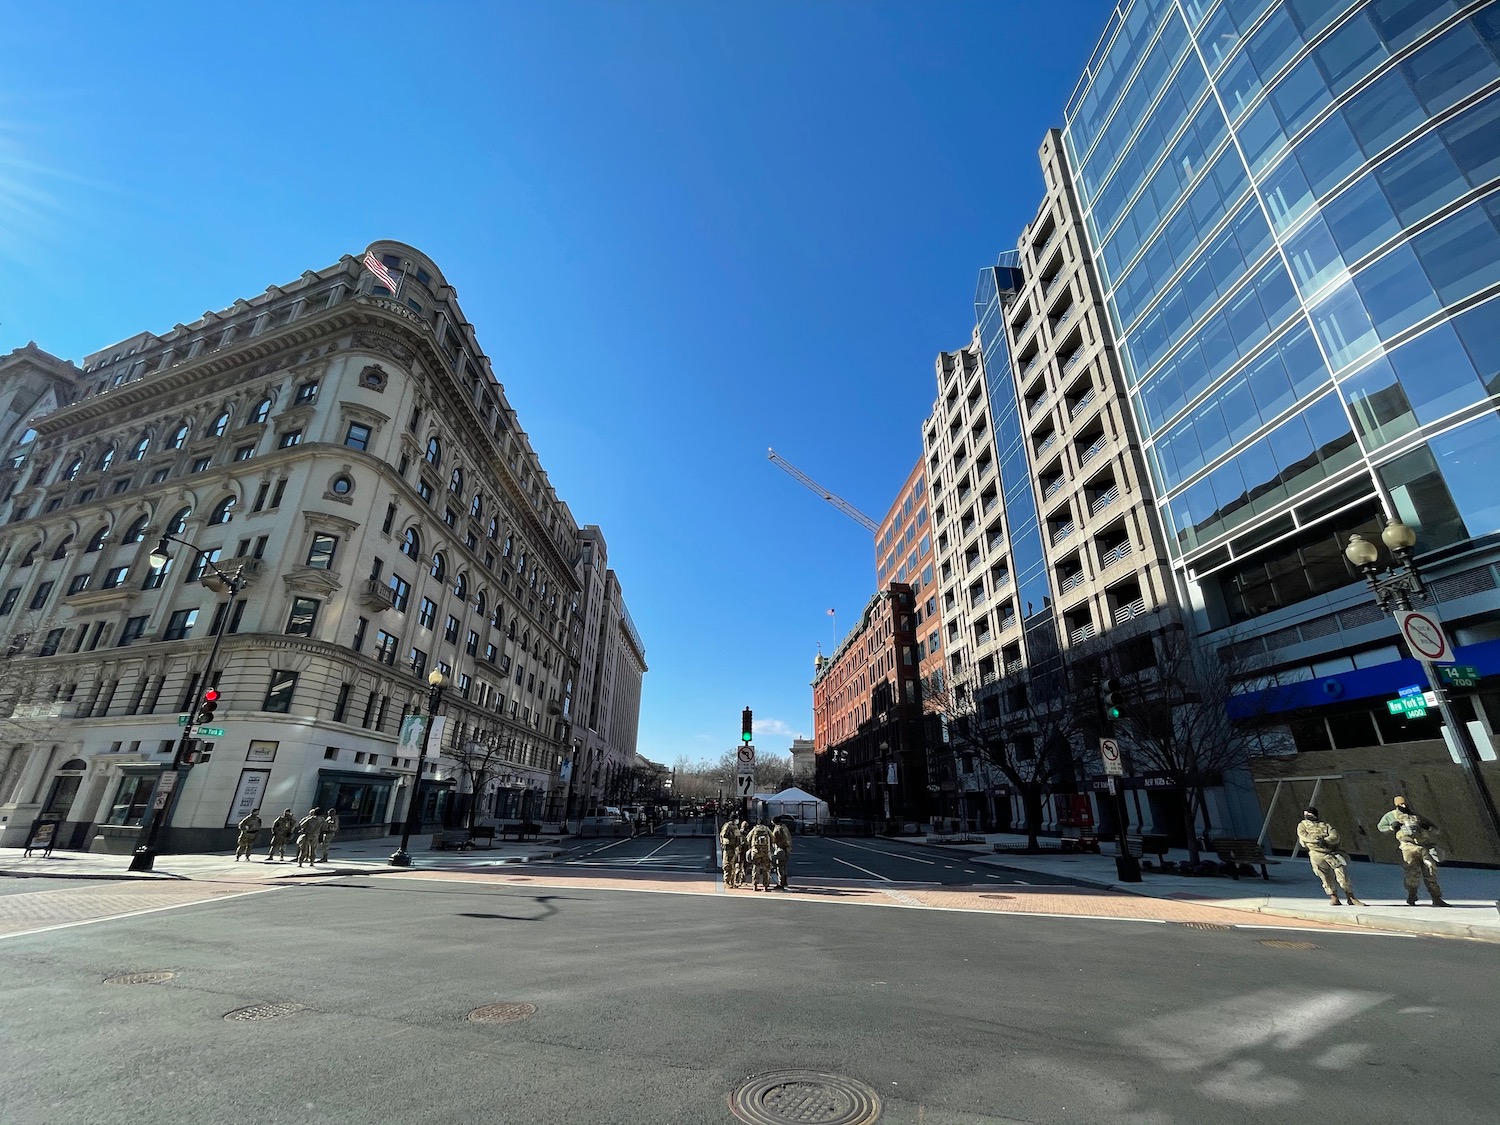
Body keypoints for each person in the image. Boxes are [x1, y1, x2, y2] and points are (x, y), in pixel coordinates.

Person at [1377, 795, 1449, 907]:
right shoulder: (1391, 816)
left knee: (1430, 871)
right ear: (1396, 805)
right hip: (1408, 848)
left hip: (1423, 847)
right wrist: (1392, 827)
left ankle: (1436, 898)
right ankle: (1412, 895)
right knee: (1411, 873)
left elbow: (1436, 830)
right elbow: (1381, 827)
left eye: (1405, 804)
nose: (1404, 806)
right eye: (1401, 804)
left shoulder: (1416, 816)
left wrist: (1427, 827)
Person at [1295, 806, 1363, 906]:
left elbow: (1335, 836)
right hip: (1316, 854)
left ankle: (1350, 897)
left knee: (1342, 874)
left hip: (1332, 853)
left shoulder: (1325, 825)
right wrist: (1317, 840)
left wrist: (1326, 841)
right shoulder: (1302, 825)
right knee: (1325, 877)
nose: (1307, 816)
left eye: (1309, 814)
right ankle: (1334, 897)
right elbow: (1304, 837)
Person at [746, 821, 774, 892]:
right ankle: (765, 886)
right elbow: (773, 838)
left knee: (755, 868)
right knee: (766, 869)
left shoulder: (754, 829)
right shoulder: (766, 829)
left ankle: (755, 886)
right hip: (765, 852)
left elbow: (748, 838)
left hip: (756, 852)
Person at [719, 818, 742, 888]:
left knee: (734, 866)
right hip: (729, 848)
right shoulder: (728, 825)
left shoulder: (735, 826)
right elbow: (723, 835)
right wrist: (731, 836)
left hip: (734, 847)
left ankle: (732, 882)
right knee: (727, 865)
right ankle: (726, 881)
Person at [771, 820, 792, 891]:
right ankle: (785, 881)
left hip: (780, 849)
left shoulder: (777, 829)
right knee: (784, 866)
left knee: (779, 866)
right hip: (787, 849)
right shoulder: (784, 827)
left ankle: (780, 883)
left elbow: (773, 839)